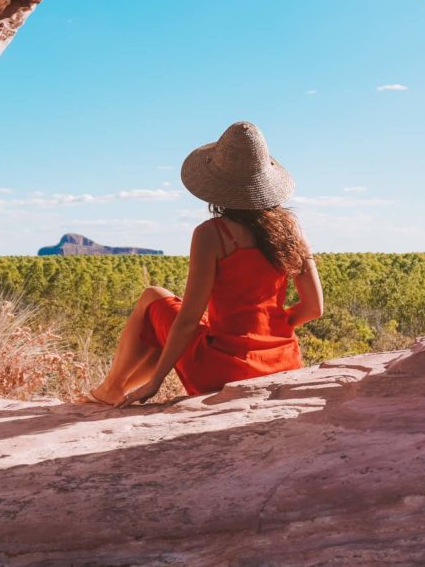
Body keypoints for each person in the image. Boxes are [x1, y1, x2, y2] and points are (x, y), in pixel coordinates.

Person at [78, 120, 324, 407]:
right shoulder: (291, 230)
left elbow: (187, 322)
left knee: (154, 296)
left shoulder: (213, 234)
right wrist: (271, 327)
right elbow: (314, 309)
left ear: (217, 184)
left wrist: (155, 383)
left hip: (225, 369)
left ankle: (110, 389)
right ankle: (113, 389)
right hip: (283, 362)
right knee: (180, 321)